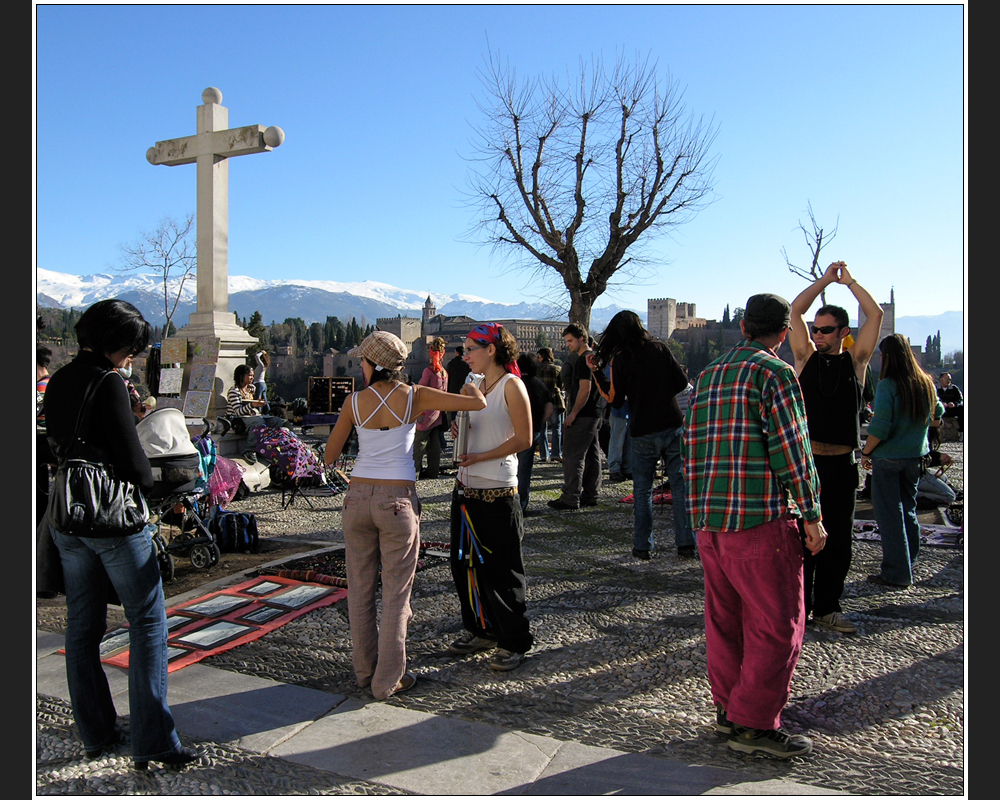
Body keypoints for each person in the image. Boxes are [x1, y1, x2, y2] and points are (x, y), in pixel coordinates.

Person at [43, 299, 200, 770]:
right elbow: (136, 467)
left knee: (81, 626)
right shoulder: (109, 382)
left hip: (67, 516)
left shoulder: (60, 379)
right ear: (115, 344)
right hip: (111, 518)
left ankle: (95, 732)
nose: (132, 356)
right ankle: (154, 740)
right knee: (149, 621)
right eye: (130, 347)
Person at [684, 293, 826, 759]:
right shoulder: (775, 373)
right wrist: (811, 514)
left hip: (710, 522)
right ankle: (754, 723)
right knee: (778, 624)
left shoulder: (707, 376)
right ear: (783, 333)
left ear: (743, 326)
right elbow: (793, 450)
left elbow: (692, 451)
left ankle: (729, 710)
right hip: (758, 520)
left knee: (725, 622)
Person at [323, 331, 486, 700]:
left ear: (370, 364)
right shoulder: (415, 396)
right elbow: (475, 405)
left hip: (358, 496)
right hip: (397, 499)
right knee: (397, 594)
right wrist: (472, 386)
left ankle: (364, 673)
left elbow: (330, 457)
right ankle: (388, 681)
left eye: (362, 362)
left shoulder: (354, 401)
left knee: (360, 590)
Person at [789, 262, 883, 634]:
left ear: (843, 333)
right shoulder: (805, 359)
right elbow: (794, 311)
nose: (819, 334)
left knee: (838, 542)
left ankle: (828, 607)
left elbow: (874, 314)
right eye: (817, 329)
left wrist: (850, 283)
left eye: (827, 330)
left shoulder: (855, 362)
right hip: (808, 465)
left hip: (842, 466)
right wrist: (824, 281)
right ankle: (800, 608)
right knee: (801, 539)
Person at [447, 323, 534, 671]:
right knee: (464, 565)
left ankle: (514, 640)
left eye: (470, 349)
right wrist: (458, 428)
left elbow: (525, 438)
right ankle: (481, 628)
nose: (465, 355)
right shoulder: (474, 386)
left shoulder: (513, 386)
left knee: (503, 571)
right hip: (465, 489)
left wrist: (481, 456)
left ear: (491, 350)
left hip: (498, 491)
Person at [587, 310, 693, 559]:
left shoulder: (621, 358)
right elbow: (681, 383)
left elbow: (614, 399)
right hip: (672, 423)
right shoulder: (660, 348)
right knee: (679, 487)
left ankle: (643, 546)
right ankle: (686, 544)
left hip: (643, 428)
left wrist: (596, 372)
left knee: (643, 490)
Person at [861, 334, 945, 589]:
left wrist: (866, 452)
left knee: (889, 515)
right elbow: (938, 414)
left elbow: (881, 426)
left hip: (888, 457)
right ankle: (909, 561)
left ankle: (896, 573)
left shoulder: (888, 385)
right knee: (908, 510)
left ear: (887, 357)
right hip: (915, 457)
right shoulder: (925, 383)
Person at [548, 324, 602, 510]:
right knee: (593, 454)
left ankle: (570, 497)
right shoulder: (594, 357)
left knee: (572, 456)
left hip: (583, 414)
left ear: (581, 338)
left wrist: (573, 413)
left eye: (570, 341)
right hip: (595, 412)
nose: (568, 345)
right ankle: (591, 493)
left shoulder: (582, 360)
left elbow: (584, 390)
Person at [514, 353, 553, 515]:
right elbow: (550, 408)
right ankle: (522, 504)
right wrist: (538, 423)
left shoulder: (514, 384)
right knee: (524, 469)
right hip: (533, 430)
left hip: (513, 429)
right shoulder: (539, 385)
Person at [413, 337, 449, 479]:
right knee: (434, 446)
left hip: (426, 413)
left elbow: (420, 390)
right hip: (439, 413)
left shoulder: (428, 372)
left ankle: (414, 473)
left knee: (419, 444)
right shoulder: (445, 373)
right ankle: (433, 471)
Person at [536, 348, 564, 462]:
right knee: (556, 427)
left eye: (538, 356)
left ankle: (544, 454)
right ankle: (556, 453)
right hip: (555, 400)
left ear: (542, 357)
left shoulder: (537, 370)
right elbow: (562, 385)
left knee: (542, 429)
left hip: (541, 401)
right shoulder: (557, 369)